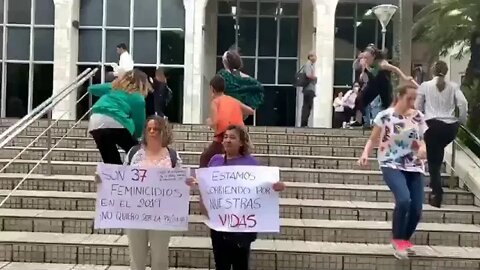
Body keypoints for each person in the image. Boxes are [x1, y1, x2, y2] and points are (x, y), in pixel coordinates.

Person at [193, 125, 286, 270]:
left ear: (241, 142)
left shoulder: (251, 164)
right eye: (225, 137)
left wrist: (276, 187)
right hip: (219, 222)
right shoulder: (215, 161)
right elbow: (207, 187)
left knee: (240, 264)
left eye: (232, 137)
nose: (227, 140)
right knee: (221, 264)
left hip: (242, 225)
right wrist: (202, 201)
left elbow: (262, 188)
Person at [358, 84, 428, 260]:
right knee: (404, 199)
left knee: (417, 208)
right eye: (409, 98)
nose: (412, 103)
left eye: (414, 99)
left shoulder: (418, 117)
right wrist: (365, 153)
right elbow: (372, 140)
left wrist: (423, 149)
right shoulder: (385, 116)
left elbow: (423, 141)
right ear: (399, 96)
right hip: (390, 162)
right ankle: (397, 239)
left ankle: (404, 240)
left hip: (414, 164)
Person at [122, 116, 194, 270]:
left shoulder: (172, 156)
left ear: (164, 131)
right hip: (135, 213)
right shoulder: (134, 153)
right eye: (149, 129)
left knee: (160, 259)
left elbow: (180, 179)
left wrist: (187, 182)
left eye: (156, 129)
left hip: (162, 215)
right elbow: (121, 177)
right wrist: (104, 180)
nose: (152, 132)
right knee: (136, 259)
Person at [415, 60, 468, 208]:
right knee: (437, 154)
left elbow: (417, 106)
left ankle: (436, 193)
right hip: (450, 127)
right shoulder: (453, 86)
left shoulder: (425, 86)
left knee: (434, 162)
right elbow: (463, 103)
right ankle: (435, 187)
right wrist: (461, 120)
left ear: (432, 71)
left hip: (432, 125)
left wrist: (419, 121)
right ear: (446, 71)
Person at [88, 69, 149, 165]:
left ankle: (114, 177)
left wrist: (113, 84)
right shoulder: (138, 97)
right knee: (137, 152)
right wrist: (137, 136)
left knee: (110, 159)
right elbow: (139, 122)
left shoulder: (113, 89)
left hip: (95, 122)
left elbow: (92, 89)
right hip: (116, 121)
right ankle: (139, 174)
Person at [199, 75, 254, 168]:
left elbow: (215, 121)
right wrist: (240, 115)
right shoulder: (233, 100)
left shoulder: (215, 102)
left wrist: (208, 122)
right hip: (238, 136)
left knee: (205, 158)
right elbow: (251, 111)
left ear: (212, 88)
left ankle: (201, 180)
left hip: (222, 138)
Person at [355, 45, 415, 113]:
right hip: (373, 85)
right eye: (364, 58)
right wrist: (360, 61)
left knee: (387, 104)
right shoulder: (366, 63)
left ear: (373, 57)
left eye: (367, 58)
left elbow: (395, 69)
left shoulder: (382, 64)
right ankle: (359, 120)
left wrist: (405, 77)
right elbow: (357, 70)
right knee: (359, 100)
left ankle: (394, 116)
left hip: (383, 85)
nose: (365, 60)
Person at [217, 49, 264, 116]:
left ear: (225, 62)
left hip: (226, 110)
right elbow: (258, 87)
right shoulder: (245, 77)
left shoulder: (223, 75)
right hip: (239, 112)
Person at [300, 51, 317, 127]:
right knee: (307, 106)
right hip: (308, 89)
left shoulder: (311, 65)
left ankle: (305, 123)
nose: (315, 58)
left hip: (310, 89)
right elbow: (308, 75)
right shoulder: (308, 64)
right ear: (310, 57)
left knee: (308, 106)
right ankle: (304, 123)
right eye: (314, 56)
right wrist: (315, 78)